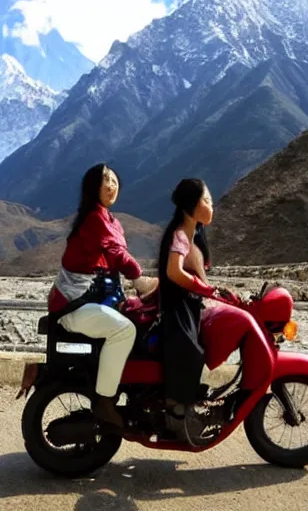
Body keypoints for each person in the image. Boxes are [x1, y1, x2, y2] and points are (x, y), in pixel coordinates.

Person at [157, 178, 274, 442]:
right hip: (180, 307)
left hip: (191, 303)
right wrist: (203, 288)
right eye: (207, 201)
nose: (212, 206)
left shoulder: (193, 235)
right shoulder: (180, 235)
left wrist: (217, 291)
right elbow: (173, 271)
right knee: (190, 350)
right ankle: (177, 411)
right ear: (192, 205)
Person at [48, 163, 158, 429]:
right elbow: (115, 254)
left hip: (94, 301)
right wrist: (140, 280)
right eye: (105, 180)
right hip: (76, 305)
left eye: (114, 179)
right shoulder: (96, 218)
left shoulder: (110, 219)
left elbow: (114, 255)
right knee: (124, 331)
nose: (112, 185)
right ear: (92, 188)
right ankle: (104, 400)